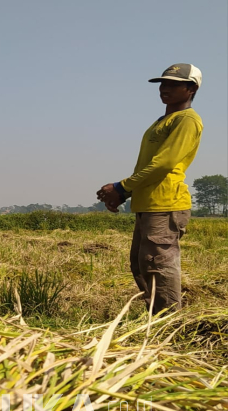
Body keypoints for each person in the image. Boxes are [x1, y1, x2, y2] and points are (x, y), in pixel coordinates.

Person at [96, 63, 203, 314]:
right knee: (142, 264)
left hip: (165, 204)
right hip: (149, 203)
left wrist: (121, 187)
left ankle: (168, 325)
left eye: (174, 84)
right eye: (163, 83)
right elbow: (148, 166)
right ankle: (156, 318)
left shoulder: (187, 120)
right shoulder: (163, 121)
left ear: (191, 88)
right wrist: (124, 192)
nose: (165, 88)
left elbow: (163, 164)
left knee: (159, 267)